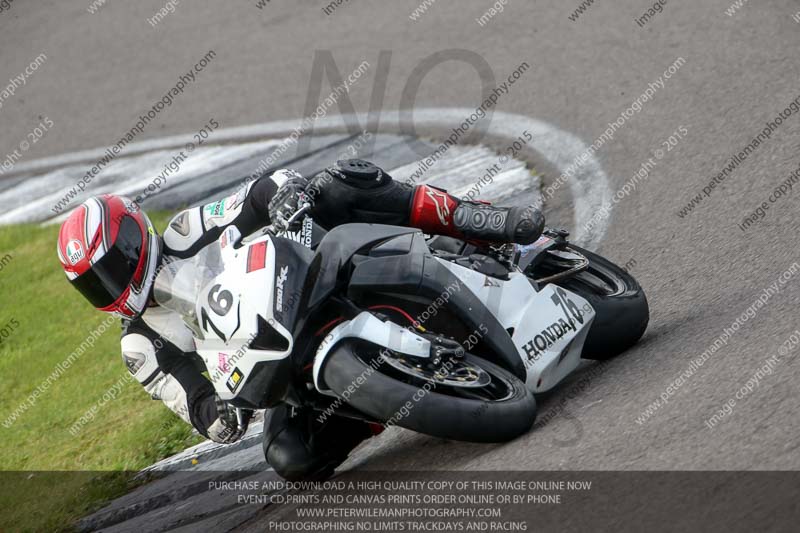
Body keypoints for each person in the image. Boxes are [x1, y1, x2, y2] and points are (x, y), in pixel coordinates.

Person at [56, 159, 544, 480]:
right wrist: (220, 419)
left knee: (335, 185)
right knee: (290, 454)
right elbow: (194, 402)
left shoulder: (186, 232)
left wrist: (284, 198)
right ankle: (388, 397)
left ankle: (475, 219)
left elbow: (260, 191)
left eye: (112, 268)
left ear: (133, 240)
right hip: (281, 362)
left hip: (306, 278)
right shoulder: (140, 347)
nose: (113, 285)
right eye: (94, 284)